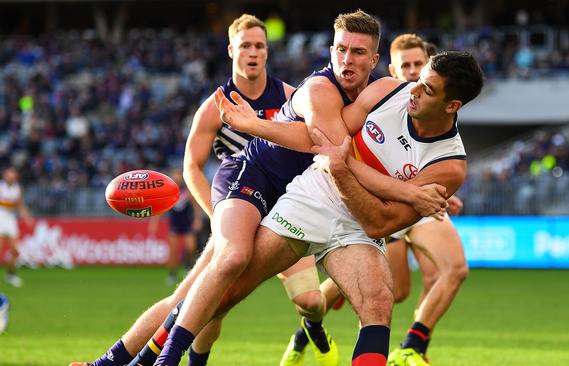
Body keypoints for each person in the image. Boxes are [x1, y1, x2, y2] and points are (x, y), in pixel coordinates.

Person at [155, 50, 483, 366]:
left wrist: (343, 169)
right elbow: (325, 143)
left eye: (427, 89)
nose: (414, 90)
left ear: (452, 105)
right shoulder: (388, 91)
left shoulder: (449, 165)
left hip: (359, 224)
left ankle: (307, 335)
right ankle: (155, 359)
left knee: (379, 301)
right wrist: (400, 190)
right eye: (418, 79)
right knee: (230, 288)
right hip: (313, 196)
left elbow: (380, 224)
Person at [69, 13, 328, 366]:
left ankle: (311, 332)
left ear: (267, 52)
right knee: (195, 296)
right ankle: (110, 361)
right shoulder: (214, 106)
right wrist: (215, 213)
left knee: (312, 301)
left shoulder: (289, 97)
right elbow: (191, 165)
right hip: (238, 198)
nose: (253, 53)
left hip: (282, 209)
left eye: (259, 46)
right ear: (230, 51)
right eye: (245, 46)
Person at [383, 33, 470, 366]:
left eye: (419, 65)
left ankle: (413, 347)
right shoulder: (384, 102)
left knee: (449, 271)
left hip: (418, 205)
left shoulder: (436, 105)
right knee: (397, 291)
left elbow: (442, 158)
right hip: (383, 204)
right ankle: (310, 323)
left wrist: (443, 192)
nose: (412, 71)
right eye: (405, 65)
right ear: (393, 69)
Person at [149, 168, 202, 285]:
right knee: (173, 251)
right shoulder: (168, 192)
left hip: (187, 224)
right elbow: (161, 209)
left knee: (191, 248)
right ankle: (172, 274)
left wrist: (197, 219)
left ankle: (187, 266)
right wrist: (154, 222)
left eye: (178, 174)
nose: (177, 177)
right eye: (175, 174)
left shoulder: (187, 190)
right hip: (174, 225)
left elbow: (196, 205)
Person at [0, 166, 34, 288]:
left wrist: (27, 218)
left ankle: (11, 274)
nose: (12, 176)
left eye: (14, 174)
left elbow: (20, 205)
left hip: (10, 220)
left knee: (15, 250)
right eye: (10, 174)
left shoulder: (17, 188)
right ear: (5, 175)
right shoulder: (1, 187)